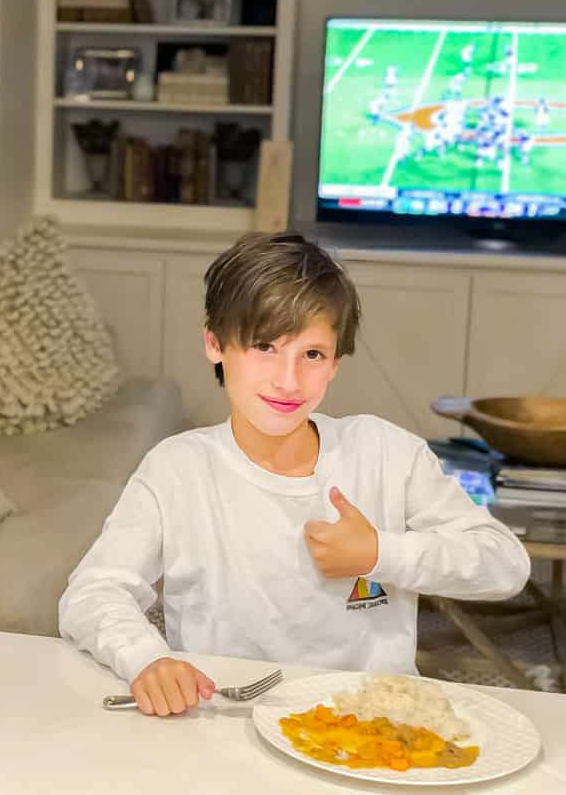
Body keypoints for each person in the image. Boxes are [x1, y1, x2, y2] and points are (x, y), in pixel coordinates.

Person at [59, 233, 529, 718]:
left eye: (312, 355)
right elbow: (92, 593)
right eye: (265, 347)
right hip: (226, 724)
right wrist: (147, 659)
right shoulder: (177, 469)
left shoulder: (386, 453)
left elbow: (505, 565)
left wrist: (381, 553)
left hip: (374, 726)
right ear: (215, 344)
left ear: (335, 364)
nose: (289, 380)